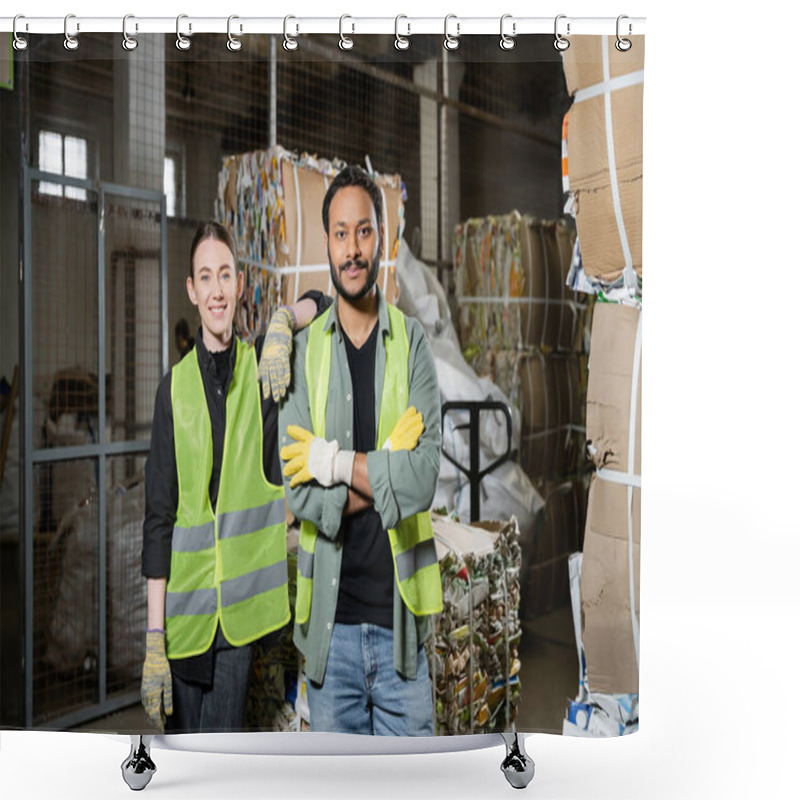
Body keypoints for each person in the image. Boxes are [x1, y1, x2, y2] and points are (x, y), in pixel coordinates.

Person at [140, 220, 331, 733]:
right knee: (181, 764)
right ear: (192, 290)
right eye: (206, 277)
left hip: (239, 624)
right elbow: (158, 518)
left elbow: (328, 301)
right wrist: (154, 636)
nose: (217, 289)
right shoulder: (172, 390)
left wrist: (284, 322)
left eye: (225, 275)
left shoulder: (264, 373)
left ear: (240, 284)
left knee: (219, 763)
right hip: (185, 617)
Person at [278, 166, 443, 736]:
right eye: (341, 233)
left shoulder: (413, 343)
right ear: (326, 241)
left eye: (365, 232)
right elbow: (300, 494)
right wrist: (382, 471)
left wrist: (334, 462)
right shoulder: (303, 353)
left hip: (403, 633)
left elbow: (422, 480)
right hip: (332, 635)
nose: (353, 249)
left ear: (384, 238)